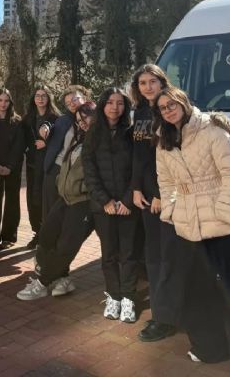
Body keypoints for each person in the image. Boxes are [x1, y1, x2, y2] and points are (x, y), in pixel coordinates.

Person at [154, 86, 230, 376]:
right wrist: (171, 211)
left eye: (172, 104)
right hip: (187, 226)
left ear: (184, 102)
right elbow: (166, 181)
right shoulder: (163, 139)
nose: (168, 110)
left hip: (222, 226)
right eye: (162, 108)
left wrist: (227, 213)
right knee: (196, 292)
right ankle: (209, 348)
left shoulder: (211, 129)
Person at [16, 102, 96, 300]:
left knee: (66, 245)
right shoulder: (79, 138)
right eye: (79, 120)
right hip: (65, 197)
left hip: (83, 201)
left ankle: (42, 283)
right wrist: (61, 182)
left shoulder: (100, 142)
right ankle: (61, 278)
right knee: (46, 234)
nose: (82, 123)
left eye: (85, 118)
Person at [129, 64, 179, 342]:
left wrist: (161, 193)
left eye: (152, 81)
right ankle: (161, 314)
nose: (147, 87)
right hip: (146, 196)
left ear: (162, 82)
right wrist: (136, 188)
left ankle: (168, 318)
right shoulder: (140, 112)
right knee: (154, 256)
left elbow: (172, 154)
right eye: (142, 83)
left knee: (166, 256)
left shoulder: (169, 109)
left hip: (166, 196)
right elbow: (139, 154)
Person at [83, 88, 138, 323]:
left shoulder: (132, 133)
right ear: (103, 105)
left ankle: (128, 298)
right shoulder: (93, 133)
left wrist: (127, 200)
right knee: (109, 254)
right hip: (103, 206)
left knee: (129, 254)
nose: (115, 107)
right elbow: (89, 170)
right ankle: (114, 296)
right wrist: (104, 200)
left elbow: (138, 169)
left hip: (127, 206)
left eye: (120, 103)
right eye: (110, 102)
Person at [21, 85, 60, 249]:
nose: (41, 98)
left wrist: (46, 143)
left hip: (49, 166)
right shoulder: (28, 118)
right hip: (32, 165)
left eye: (44, 95)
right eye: (38, 95)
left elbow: (61, 141)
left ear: (49, 98)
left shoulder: (56, 118)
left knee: (48, 199)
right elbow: (22, 139)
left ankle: (49, 233)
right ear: (34, 98)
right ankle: (37, 232)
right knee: (33, 199)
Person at [42, 86, 89, 220]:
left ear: (84, 97)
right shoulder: (63, 120)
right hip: (57, 168)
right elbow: (51, 124)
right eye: (68, 103)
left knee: (69, 213)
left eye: (74, 99)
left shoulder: (95, 119)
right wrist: (45, 127)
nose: (72, 104)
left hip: (77, 173)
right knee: (51, 212)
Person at [0, 88, 25, 249]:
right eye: (0, 100)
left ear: (10, 103)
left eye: (6, 101)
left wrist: (9, 166)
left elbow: (19, 146)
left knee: (12, 200)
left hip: (13, 167)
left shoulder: (17, 121)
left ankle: (9, 236)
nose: (3, 104)